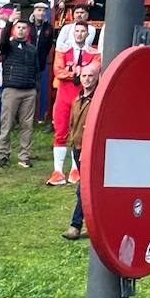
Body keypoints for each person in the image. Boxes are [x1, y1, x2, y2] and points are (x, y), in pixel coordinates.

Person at [50, 22, 99, 186]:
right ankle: (57, 170)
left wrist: (78, 73)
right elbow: (58, 71)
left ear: (87, 34)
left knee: (79, 133)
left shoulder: (94, 52)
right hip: (64, 96)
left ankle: (75, 168)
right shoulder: (62, 50)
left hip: (82, 97)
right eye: (77, 31)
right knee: (60, 130)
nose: (79, 34)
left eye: (82, 31)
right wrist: (75, 74)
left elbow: (95, 70)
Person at [62, 68, 100, 241]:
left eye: (90, 76)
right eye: (84, 76)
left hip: (90, 149)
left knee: (83, 188)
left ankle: (75, 225)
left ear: (97, 77)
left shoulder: (97, 100)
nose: (86, 79)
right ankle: (96, 227)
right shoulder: (77, 99)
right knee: (90, 188)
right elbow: (72, 124)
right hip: (76, 147)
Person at [0, 18, 39, 168]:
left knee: (27, 125)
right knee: (6, 124)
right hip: (11, 89)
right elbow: (2, 40)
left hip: (29, 90)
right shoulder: (7, 46)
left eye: (24, 28)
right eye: (18, 27)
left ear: (28, 31)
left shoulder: (32, 49)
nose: (21, 30)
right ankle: (3, 155)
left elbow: (37, 68)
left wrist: (35, 86)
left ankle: (24, 156)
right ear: (14, 30)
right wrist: (9, 22)